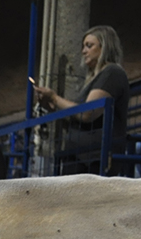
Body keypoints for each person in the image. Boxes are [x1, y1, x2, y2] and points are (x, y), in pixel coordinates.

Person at [33, 25, 130, 175]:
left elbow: (87, 113)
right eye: (83, 46)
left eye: (89, 46)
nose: (83, 51)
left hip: (94, 160)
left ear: (104, 47)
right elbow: (79, 118)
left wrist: (54, 97)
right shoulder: (94, 79)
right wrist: (53, 107)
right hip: (81, 157)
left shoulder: (112, 73)